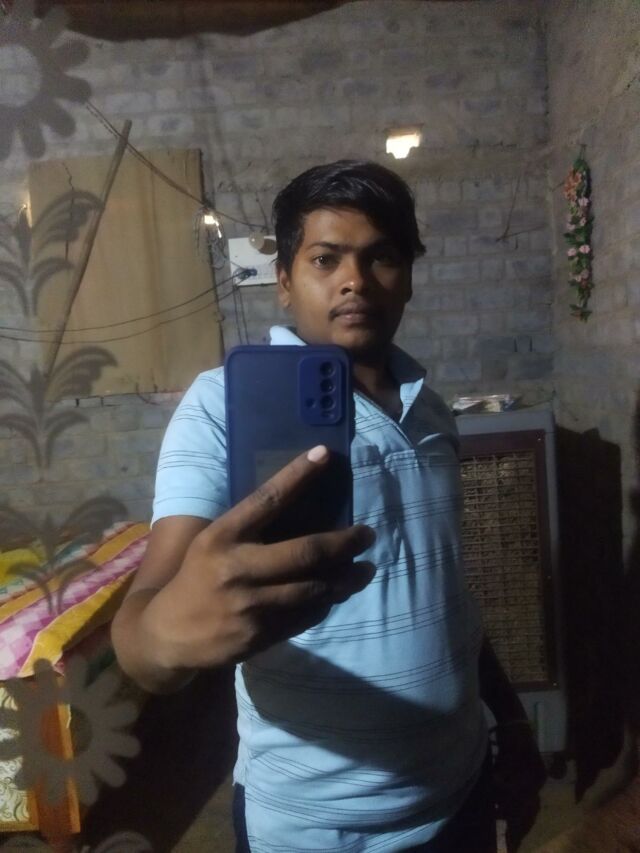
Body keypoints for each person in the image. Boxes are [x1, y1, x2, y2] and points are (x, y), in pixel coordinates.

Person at [112, 160, 545, 852]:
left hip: (458, 794)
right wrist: (163, 637)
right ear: (284, 281)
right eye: (325, 259)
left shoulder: (433, 411)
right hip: (313, 827)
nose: (355, 280)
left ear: (408, 277)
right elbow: (140, 635)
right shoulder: (222, 407)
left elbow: (445, 589)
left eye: (382, 257)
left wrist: (510, 719)